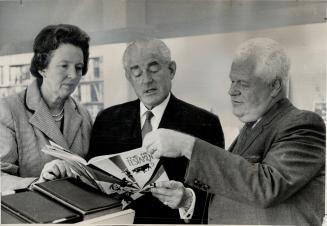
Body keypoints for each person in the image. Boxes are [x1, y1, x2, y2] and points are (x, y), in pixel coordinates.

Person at [144, 38, 326, 226]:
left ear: (275, 86)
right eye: (232, 81)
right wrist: (186, 200)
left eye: (243, 83)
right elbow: (238, 193)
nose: (231, 91)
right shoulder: (252, 127)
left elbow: (266, 187)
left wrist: (186, 145)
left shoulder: (304, 124)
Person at [87, 37, 225, 224]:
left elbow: (217, 193)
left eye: (153, 68)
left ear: (171, 70)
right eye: (136, 73)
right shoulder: (107, 120)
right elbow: (92, 182)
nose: (146, 79)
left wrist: (187, 200)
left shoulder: (205, 123)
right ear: (128, 77)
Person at [0, 24, 93, 192]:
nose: (73, 75)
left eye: (78, 68)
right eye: (64, 66)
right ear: (42, 67)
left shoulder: (84, 115)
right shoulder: (8, 110)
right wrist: (38, 183)